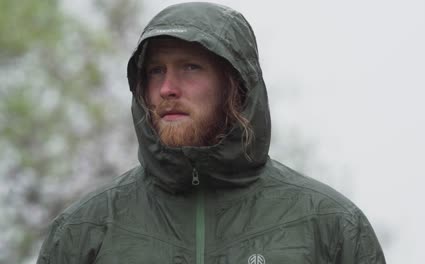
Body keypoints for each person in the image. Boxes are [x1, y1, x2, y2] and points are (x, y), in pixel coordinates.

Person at [37, 2, 386, 264]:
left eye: (190, 67)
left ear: (235, 85)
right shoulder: (84, 230)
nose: (167, 88)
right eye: (156, 71)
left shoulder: (330, 226)